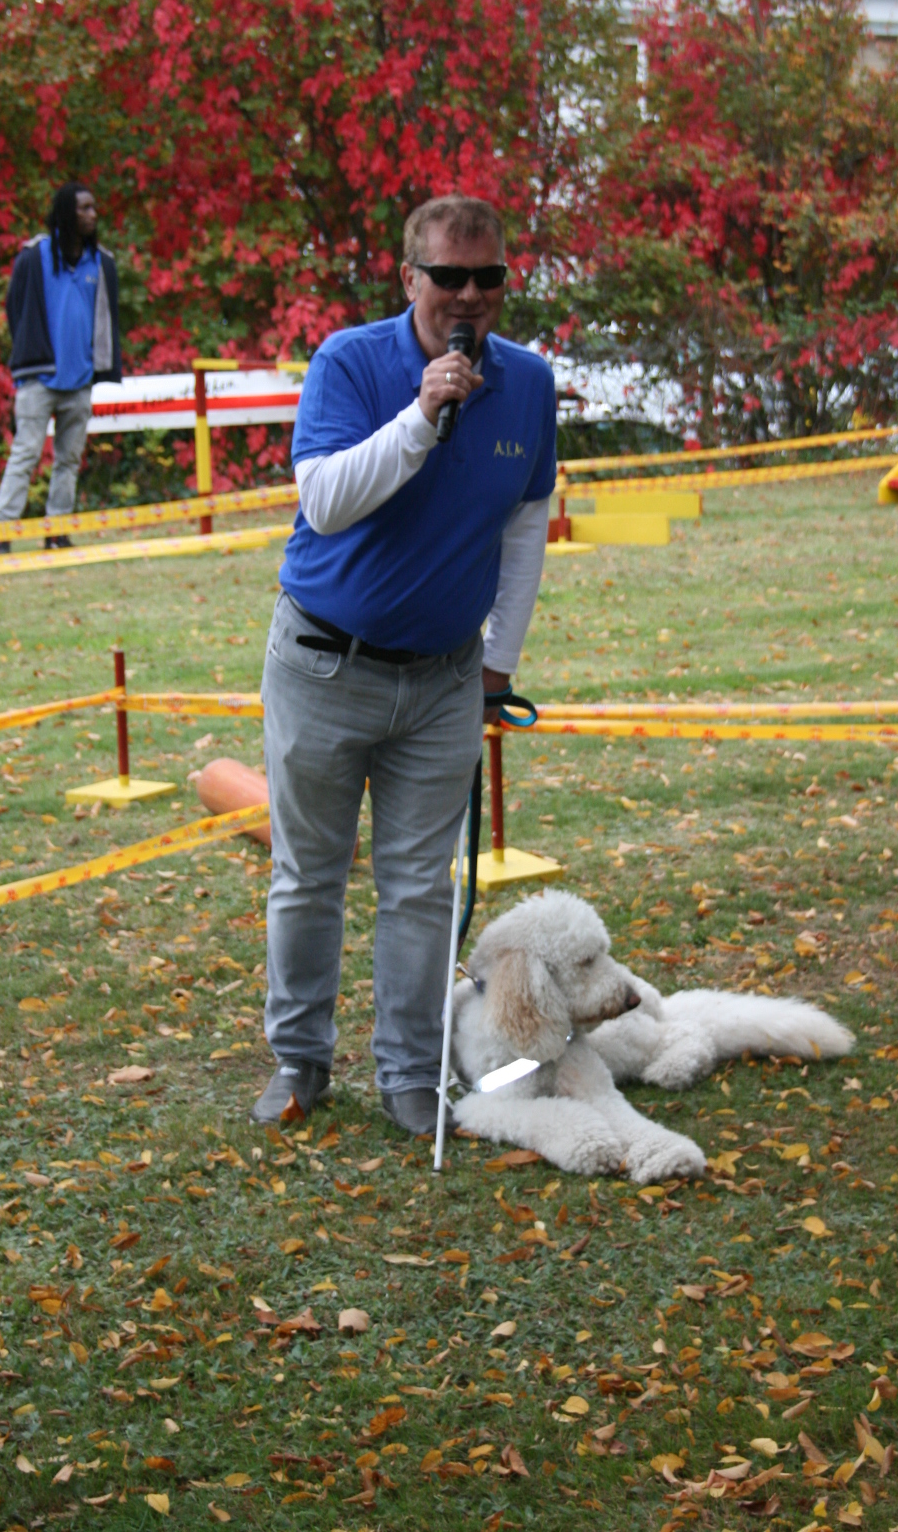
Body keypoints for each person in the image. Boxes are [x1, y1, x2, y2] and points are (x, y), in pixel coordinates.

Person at [253, 194, 556, 1135]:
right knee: (309, 876)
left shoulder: (529, 384)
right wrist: (423, 416)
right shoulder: (348, 362)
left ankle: (410, 1076)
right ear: (409, 276)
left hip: (443, 682)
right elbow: (326, 501)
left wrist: (498, 664)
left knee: (422, 887)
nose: (469, 295)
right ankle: (299, 1061)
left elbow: (525, 525)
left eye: (488, 277)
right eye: (448, 276)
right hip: (322, 666)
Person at [0, 184, 122, 550]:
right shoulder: (35, 257)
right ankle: (0, 534)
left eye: (94, 207)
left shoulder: (101, 263)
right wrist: (30, 350)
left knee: (69, 460)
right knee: (26, 453)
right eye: (84, 208)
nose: (93, 215)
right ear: (66, 212)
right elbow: (14, 307)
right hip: (39, 379)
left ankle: (57, 532)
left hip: (80, 381)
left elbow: (106, 319)